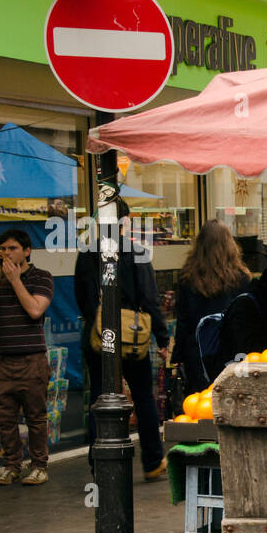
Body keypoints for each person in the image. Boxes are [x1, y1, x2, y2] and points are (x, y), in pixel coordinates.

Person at [75, 202, 171, 481]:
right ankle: (153, 461)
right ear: (124, 221)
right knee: (142, 396)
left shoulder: (86, 254)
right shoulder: (136, 252)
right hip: (132, 337)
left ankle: (100, 465)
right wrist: (163, 338)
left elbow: (82, 300)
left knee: (99, 398)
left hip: (97, 337)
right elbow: (150, 300)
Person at [0, 229, 54, 486]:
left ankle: (39, 465)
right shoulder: (0, 279)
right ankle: (12, 465)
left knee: (35, 417)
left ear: (27, 251)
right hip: (4, 360)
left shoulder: (42, 277)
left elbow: (34, 309)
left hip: (32, 360)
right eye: (3, 249)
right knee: (4, 417)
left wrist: (16, 279)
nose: (6, 253)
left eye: (12, 248)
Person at [174, 220, 251, 393]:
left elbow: (183, 320)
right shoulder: (241, 277)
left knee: (201, 400)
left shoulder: (188, 277)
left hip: (198, 352)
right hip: (231, 352)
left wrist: (179, 354)